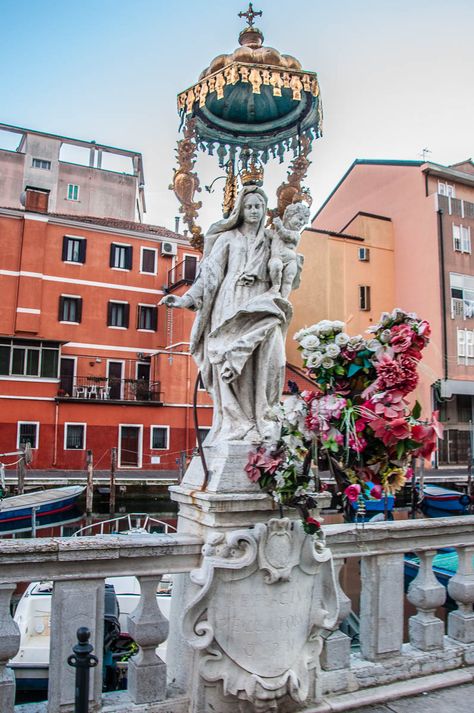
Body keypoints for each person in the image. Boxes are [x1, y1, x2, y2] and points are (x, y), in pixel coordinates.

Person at [160, 186, 292, 445]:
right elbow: (210, 274)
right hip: (230, 303)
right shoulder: (228, 238)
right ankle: (239, 423)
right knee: (232, 365)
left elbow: (286, 267)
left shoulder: (271, 239)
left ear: (265, 210)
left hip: (262, 301)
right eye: (249, 206)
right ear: (240, 210)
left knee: (273, 359)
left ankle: (264, 417)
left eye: (258, 206)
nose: (254, 211)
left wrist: (277, 270)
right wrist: (186, 298)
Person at [268, 202, 310, 299]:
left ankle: (284, 299)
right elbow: (265, 235)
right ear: (289, 216)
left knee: (288, 280)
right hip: (276, 257)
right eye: (300, 219)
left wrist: (278, 224)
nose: (301, 223)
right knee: (276, 267)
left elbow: (285, 235)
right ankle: (275, 287)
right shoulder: (275, 232)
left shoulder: (296, 235)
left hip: (291, 261)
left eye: (303, 223)